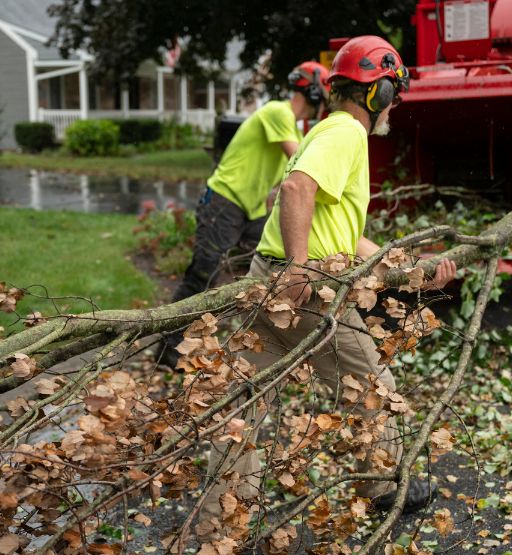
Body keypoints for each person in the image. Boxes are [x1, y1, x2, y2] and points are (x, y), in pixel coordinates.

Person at [202, 35, 457, 518]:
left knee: (245, 409)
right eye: (392, 93)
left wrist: (413, 272)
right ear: (375, 92)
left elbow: (346, 237)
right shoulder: (346, 133)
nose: (394, 106)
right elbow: (295, 188)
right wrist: (299, 268)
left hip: (267, 278)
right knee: (373, 386)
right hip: (307, 289)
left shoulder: (327, 130)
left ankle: (222, 516)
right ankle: (386, 487)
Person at [158, 61, 330, 367]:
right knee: (204, 273)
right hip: (225, 201)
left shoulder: (290, 125)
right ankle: (167, 350)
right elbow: (301, 160)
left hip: (249, 211)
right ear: (316, 93)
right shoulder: (278, 112)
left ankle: (264, 344)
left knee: (272, 264)